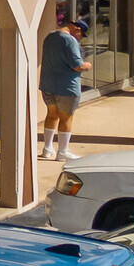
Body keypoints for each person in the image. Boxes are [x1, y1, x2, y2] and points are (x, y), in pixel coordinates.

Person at [38, 18, 90, 161]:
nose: (79, 38)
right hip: (66, 86)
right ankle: (63, 151)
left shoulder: (50, 36)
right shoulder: (70, 41)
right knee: (66, 118)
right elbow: (77, 65)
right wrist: (88, 65)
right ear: (77, 29)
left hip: (48, 85)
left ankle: (47, 148)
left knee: (51, 115)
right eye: (81, 34)